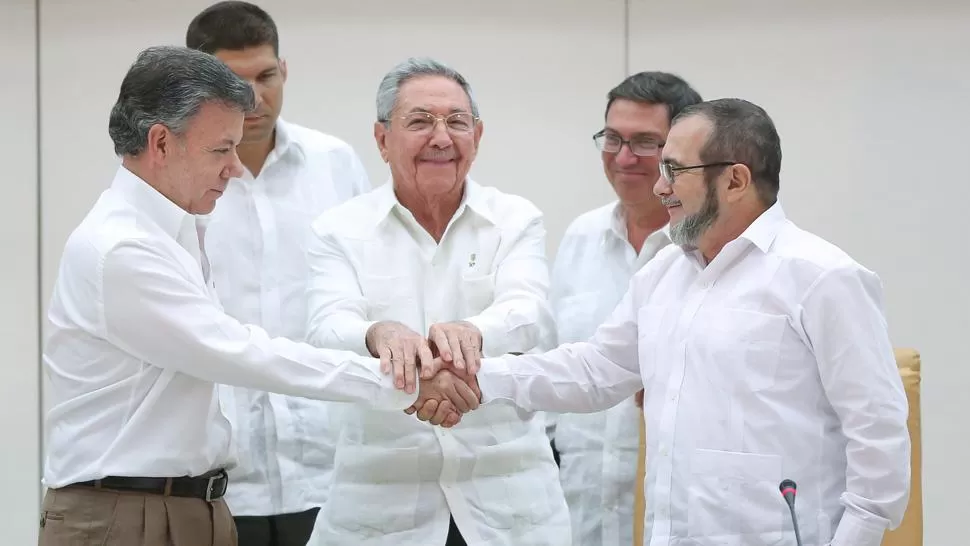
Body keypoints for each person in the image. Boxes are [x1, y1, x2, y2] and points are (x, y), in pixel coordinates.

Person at [422, 98, 912, 546]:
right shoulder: (663, 274)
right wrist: (474, 376)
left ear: (735, 180)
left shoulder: (823, 277)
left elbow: (878, 433)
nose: (660, 187)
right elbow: (592, 371)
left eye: (674, 171)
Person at [39, 45, 475, 546]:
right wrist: (410, 383)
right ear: (161, 143)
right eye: (220, 150)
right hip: (126, 515)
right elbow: (240, 352)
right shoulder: (122, 247)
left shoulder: (176, 228)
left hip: (183, 505)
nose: (234, 167)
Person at [304, 57, 570, 546]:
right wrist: (378, 333)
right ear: (382, 140)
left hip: (508, 506)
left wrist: (472, 336)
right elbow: (326, 325)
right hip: (382, 506)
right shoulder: (339, 228)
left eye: (456, 122)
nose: (442, 138)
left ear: (478, 135)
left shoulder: (515, 219)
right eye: (420, 121)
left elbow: (530, 312)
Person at [185, 3, 371, 545]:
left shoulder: (334, 163)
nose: (254, 97)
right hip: (220, 475)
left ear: (283, 70)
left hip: (330, 469)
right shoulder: (173, 180)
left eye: (266, 76)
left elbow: (370, 294)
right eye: (233, 82)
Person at [550, 71, 701, 546]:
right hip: (579, 510)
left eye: (645, 142)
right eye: (612, 138)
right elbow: (557, 366)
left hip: (680, 512)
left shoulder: (711, 247)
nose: (623, 157)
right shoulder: (581, 237)